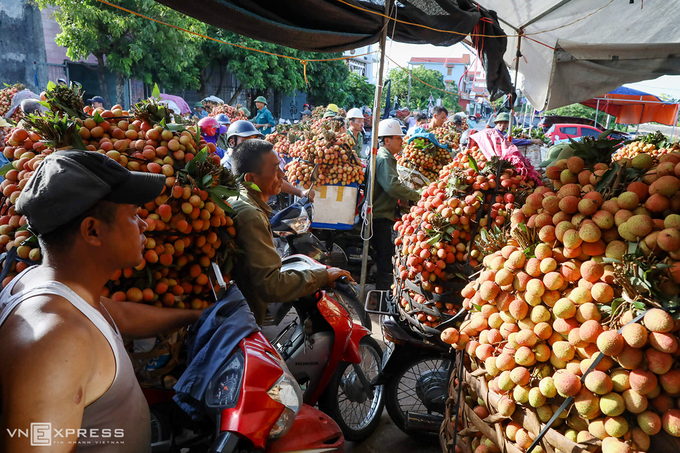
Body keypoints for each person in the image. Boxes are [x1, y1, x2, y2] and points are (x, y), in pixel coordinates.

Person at [0, 151, 203, 452]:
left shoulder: (44, 284)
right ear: (92, 230)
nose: (144, 225)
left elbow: (119, 315)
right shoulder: (56, 342)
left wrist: (197, 317)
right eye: (133, 215)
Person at [227, 139, 351, 324]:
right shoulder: (251, 216)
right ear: (251, 178)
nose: (282, 174)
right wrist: (323, 276)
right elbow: (271, 285)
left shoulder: (241, 199)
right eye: (275, 169)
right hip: (242, 321)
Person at [372, 119, 421, 290]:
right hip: (380, 215)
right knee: (385, 257)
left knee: (384, 255)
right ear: (387, 140)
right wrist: (417, 195)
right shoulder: (385, 158)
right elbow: (392, 186)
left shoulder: (385, 156)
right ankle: (382, 300)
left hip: (381, 212)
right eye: (398, 138)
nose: (402, 141)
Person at [221, 121, 314, 201]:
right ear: (232, 142)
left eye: (255, 139)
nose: (253, 145)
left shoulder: (252, 160)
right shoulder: (224, 168)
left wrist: (300, 192)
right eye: (247, 140)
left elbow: (274, 180)